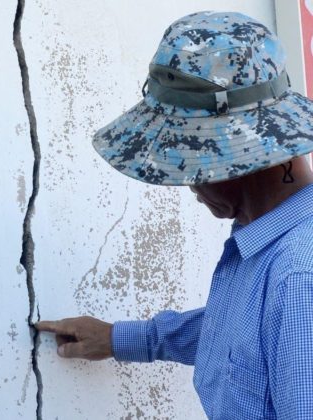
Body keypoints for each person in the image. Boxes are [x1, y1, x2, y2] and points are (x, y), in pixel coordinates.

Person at [36, 11, 313, 419]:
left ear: (250, 160)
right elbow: (244, 336)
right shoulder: (268, 246)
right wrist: (122, 339)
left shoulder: (298, 279)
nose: (191, 188)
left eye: (191, 167)